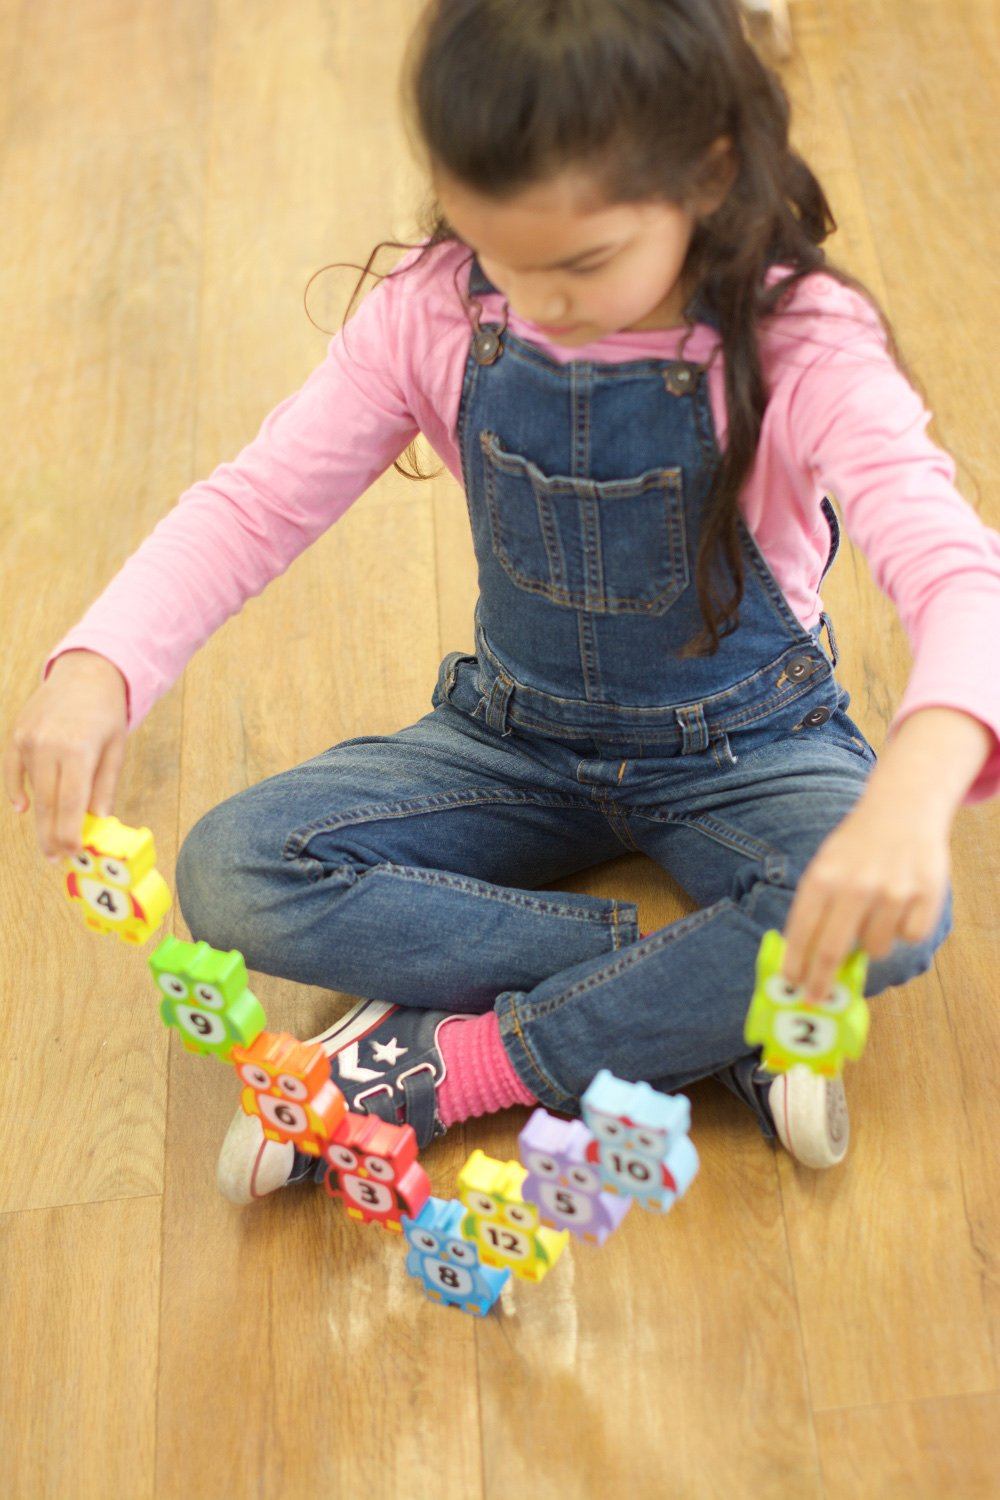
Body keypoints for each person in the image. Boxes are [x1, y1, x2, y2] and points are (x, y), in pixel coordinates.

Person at [7, 0, 998, 1202]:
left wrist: (907, 795)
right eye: (495, 252)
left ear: (710, 170)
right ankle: (702, 1013)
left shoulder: (799, 339)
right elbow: (254, 504)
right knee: (233, 870)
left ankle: (451, 1063)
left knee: (899, 919)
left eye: (580, 263)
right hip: (516, 737)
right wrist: (96, 666)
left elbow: (958, 577)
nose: (534, 303)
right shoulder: (435, 309)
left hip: (746, 749)